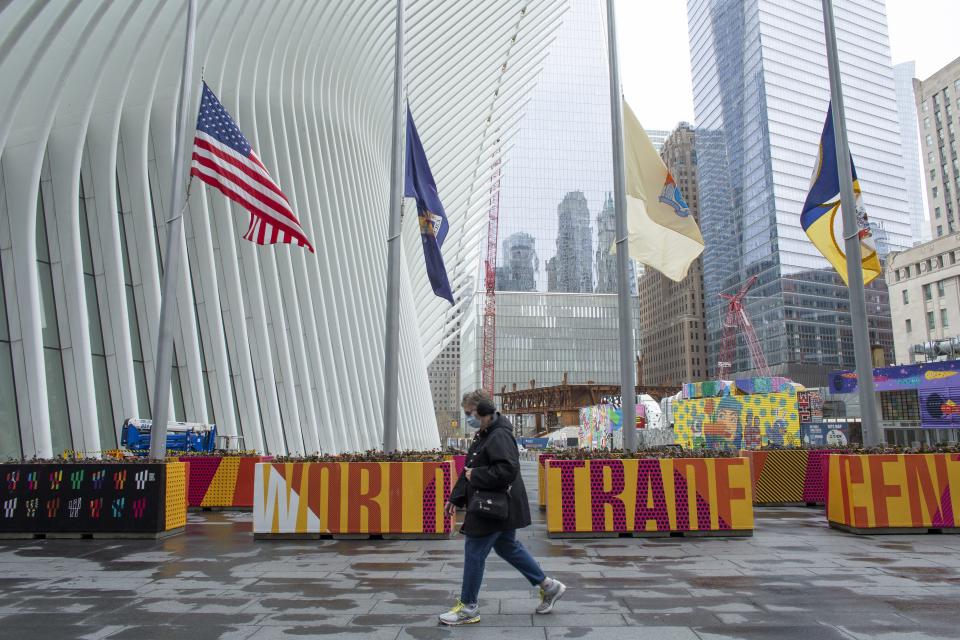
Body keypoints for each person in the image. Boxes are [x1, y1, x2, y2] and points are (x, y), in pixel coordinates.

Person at [438, 390, 566, 626]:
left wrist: (476, 475)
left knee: (475, 550)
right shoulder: (485, 433)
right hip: (497, 503)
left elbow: (507, 470)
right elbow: (469, 466)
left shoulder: (498, 436)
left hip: (492, 505)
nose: (468, 418)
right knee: (508, 547)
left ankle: (468, 607)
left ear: (484, 411)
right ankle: (549, 586)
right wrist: (456, 497)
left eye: (469, 413)